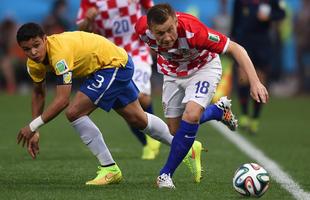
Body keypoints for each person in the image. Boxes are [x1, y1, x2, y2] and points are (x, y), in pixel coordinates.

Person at [15, 22, 208, 186]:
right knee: (138, 119)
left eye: (37, 45)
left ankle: (109, 168)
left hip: (112, 65)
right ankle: (187, 147)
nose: (33, 52)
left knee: (74, 112)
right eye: (26, 49)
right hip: (109, 65)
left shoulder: (59, 54)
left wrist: (32, 126)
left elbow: (63, 99)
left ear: (45, 39)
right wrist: (35, 130)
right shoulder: (33, 63)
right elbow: (39, 92)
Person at [135, 3, 268, 188]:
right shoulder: (141, 28)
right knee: (175, 131)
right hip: (172, 73)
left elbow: (237, 49)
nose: (167, 37)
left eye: (170, 30)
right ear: (150, 29)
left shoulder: (194, 31)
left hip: (203, 69)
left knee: (191, 115)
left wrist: (255, 82)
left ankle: (165, 175)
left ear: (175, 20)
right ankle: (217, 112)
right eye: (160, 33)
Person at [76, 0, 161, 160]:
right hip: (110, 56)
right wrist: (88, 20)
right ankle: (147, 143)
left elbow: (153, 12)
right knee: (126, 105)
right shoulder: (89, 2)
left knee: (142, 98)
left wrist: (154, 39)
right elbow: (82, 31)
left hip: (137, 49)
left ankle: (152, 136)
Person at [231, 0, 285, 134]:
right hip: (244, 41)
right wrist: (232, 41)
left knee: (260, 81)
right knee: (243, 78)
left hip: (262, 44)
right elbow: (236, 20)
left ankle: (255, 118)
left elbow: (281, 13)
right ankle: (244, 115)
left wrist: (270, 16)